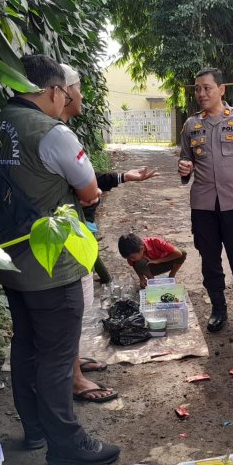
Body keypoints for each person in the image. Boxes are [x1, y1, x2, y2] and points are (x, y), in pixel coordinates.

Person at [0, 54, 119, 465]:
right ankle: (67, 445)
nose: (65, 99)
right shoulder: (54, 133)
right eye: (64, 92)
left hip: (9, 258)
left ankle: (33, 430)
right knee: (57, 355)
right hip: (52, 264)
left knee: (27, 345)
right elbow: (87, 193)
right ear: (52, 91)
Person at [60, 63, 157, 403]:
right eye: (79, 88)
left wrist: (123, 178)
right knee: (72, 306)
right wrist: (92, 194)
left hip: (73, 231)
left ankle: (73, 364)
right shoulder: (56, 134)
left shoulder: (57, 131)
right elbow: (87, 190)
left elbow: (89, 181)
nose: (83, 95)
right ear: (62, 92)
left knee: (81, 303)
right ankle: (73, 377)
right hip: (65, 235)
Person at [178, 68, 233, 332]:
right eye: (197, 89)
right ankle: (218, 310)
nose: (201, 94)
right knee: (209, 260)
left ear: (221, 89)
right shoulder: (191, 125)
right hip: (203, 206)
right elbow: (185, 160)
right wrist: (184, 169)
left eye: (207, 88)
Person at [118, 233, 187, 287]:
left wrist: (158, 261)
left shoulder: (155, 241)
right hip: (150, 268)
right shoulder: (130, 253)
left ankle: (172, 275)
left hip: (164, 262)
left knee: (183, 253)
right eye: (128, 258)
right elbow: (133, 265)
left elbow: (178, 254)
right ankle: (152, 281)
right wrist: (141, 278)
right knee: (140, 262)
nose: (131, 259)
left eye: (132, 257)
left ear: (141, 249)